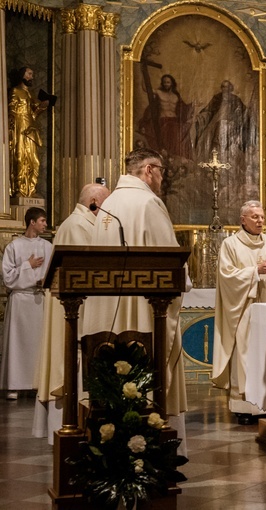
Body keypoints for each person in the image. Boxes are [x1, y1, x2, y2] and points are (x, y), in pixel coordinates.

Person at [80, 148, 190, 450]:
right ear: (150, 170)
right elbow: (169, 258)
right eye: (163, 171)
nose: (163, 178)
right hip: (143, 308)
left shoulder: (109, 202)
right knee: (146, 370)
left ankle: (110, 440)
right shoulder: (148, 202)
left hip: (106, 307)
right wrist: (185, 282)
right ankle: (151, 439)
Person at [33, 184, 110, 443]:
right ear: (93, 201)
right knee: (68, 364)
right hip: (72, 308)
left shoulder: (83, 223)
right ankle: (67, 430)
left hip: (74, 306)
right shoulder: (78, 226)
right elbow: (84, 273)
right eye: (105, 204)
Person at [212, 201, 266, 425]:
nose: (260, 221)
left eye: (262, 217)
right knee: (246, 355)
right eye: (255, 217)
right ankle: (245, 407)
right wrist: (255, 271)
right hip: (245, 308)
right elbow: (226, 276)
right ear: (242, 220)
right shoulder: (231, 244)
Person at [1, 207, 52, 400]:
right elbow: (7, 277)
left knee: (38, 343)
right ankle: (14, 384)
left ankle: (38, 383)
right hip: (21, 300)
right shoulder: (14, 246)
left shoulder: (48, 247)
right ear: (32, 222)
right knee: (18, 343)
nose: (45, 224)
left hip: (39, 298)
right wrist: (27, 266)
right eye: (42, 221)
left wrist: (44, 281)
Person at [8, 66, 49, 197]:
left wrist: (42, 107)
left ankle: (31, 189)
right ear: (22, 75)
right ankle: (19, 189)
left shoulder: (29, 94)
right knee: (20, 157)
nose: (32, 77)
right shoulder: (16, 90)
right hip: (19, 128)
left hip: (30, 129)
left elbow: (33, 115)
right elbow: (11, 111)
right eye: (29, 74)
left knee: (34, 160)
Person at [194, 79, 249, 163]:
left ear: (231, 88)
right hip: (215, 122)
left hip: (231, 123)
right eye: (223, 87)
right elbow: (208, 110)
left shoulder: (236, 99)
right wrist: (202, 116)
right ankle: (213, 155)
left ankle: (224, 154)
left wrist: (238, 117)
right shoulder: (217, 98)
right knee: (208, 136)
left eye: (227, 87)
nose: (225, 89)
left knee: (222, 126)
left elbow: (243, 112)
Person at [139, 74, 192, 159]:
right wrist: (143, 76)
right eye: (164, 82)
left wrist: (193, 105)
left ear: (172, 83)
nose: (166, 84)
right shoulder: (159, 92)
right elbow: (146, 89)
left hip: (174, 120)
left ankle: (174, 158)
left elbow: (183, 107)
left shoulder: (176, 96)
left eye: (168, 82)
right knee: (165, 139)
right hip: (164, 120)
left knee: (176, 140)